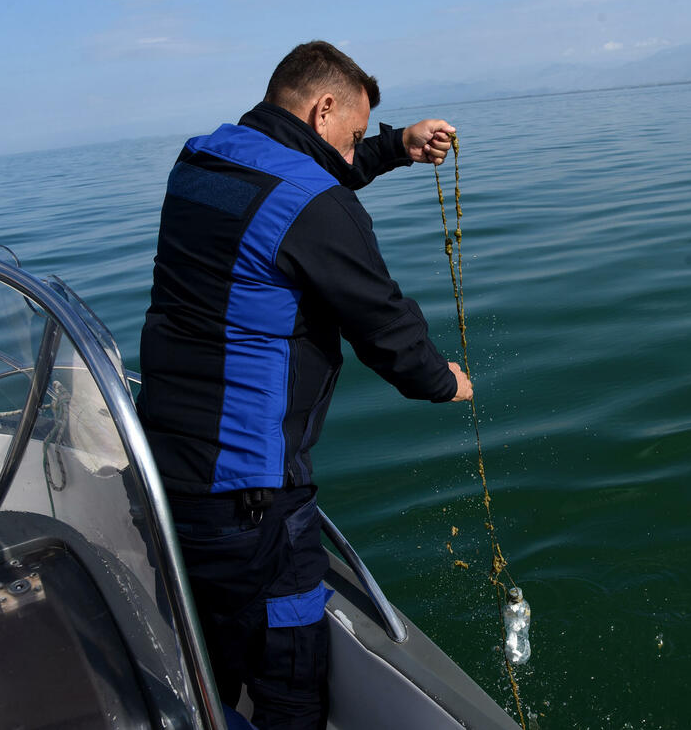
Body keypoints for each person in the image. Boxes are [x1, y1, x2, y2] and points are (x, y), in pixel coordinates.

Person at [136, 40, 472, 729]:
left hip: (167, 471)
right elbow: (384, 326)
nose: (355, 154)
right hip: (251, 502)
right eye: (353, 137)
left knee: (209, 664)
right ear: (323, 109)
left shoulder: (201, 161)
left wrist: (393, 147)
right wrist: (445, 382)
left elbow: (295, 183)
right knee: (290, 688)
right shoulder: (317, 205)